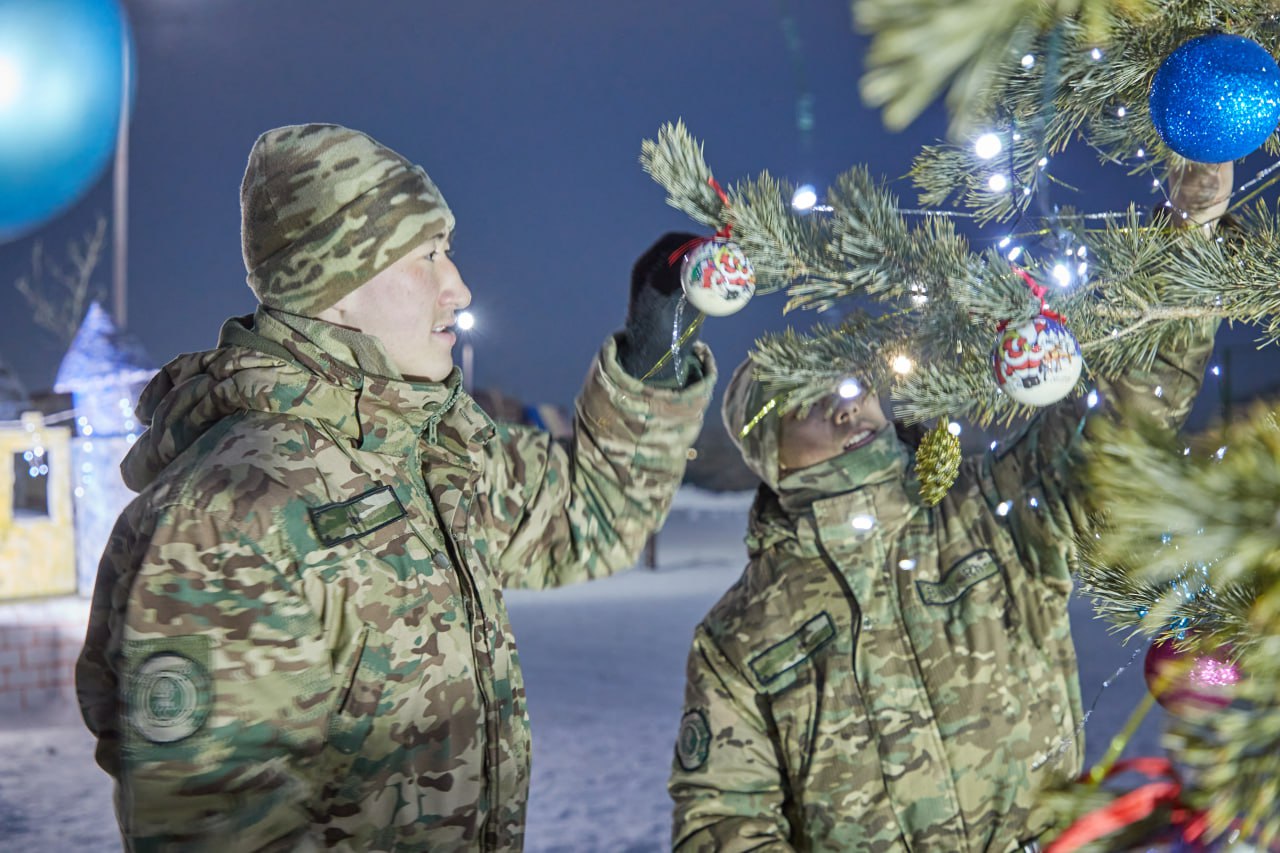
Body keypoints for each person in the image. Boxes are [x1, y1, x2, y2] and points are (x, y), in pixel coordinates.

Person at [75, 123, 715, 851]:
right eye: (428, 255)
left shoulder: (424, 453)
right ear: (335, 285)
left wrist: (650, 357)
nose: (459, 286)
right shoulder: (232, 517)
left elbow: (589, 515)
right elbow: (219, 832)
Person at [667, 160, 1232, 852]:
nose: (841, 403)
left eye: (845, 381)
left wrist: (1187, 234)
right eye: (801, 403)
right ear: (769, 458)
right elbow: (723, 821)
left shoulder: (990, 509)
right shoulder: (740, 634)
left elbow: (1118, 419)